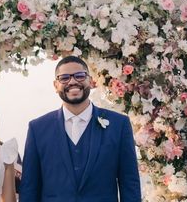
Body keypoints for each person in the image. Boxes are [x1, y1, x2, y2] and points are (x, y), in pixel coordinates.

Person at [20, 56, 142, 202]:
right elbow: (29, 188)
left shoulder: (119, 125)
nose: (72, 82)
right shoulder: (37, 129)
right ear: (55, 85)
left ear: (90, 81)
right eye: (64, 78)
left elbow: (130, 183)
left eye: (79, 76)